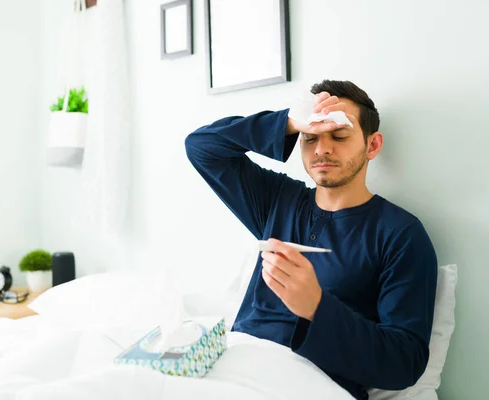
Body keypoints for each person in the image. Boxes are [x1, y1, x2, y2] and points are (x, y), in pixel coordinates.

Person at [184, 80, 438, 400]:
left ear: (372, 145)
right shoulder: (278, 201)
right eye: (311, 136)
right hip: (234, 368)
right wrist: (289, 121)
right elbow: (201, 147)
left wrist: (318, 308)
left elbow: (405, 363)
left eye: (339, 135)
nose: (322, 148)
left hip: (311, 384)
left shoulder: (400, 235)